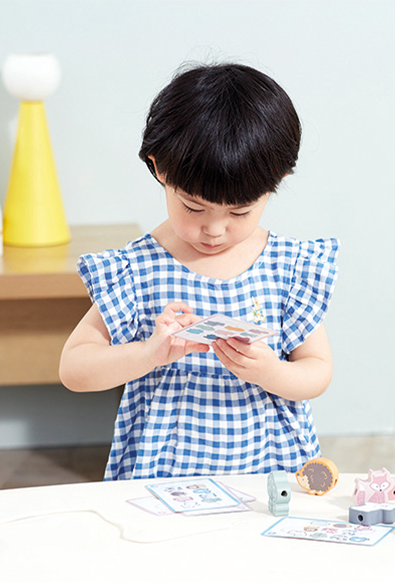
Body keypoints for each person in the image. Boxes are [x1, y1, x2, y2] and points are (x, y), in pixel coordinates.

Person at [59, 63, 339, 480]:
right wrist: (147, 354)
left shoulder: (287, 266)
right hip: (162, 479)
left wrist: (271, 372)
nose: (215, 229)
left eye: (240, 212)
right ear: (160, 168)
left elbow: (318, 370)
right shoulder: (138, 270)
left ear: (276, 182)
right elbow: (74, 369)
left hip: (267, 476)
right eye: (193, 207)